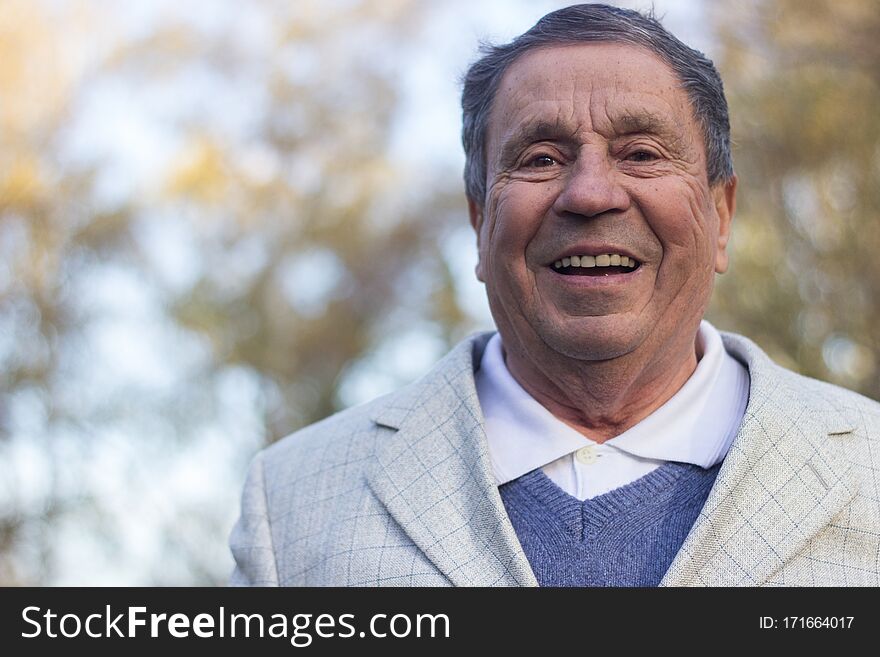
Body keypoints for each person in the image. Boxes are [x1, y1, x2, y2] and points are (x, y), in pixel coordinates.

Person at [229, 3, 880, 586]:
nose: (591, 193)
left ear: (721, 215)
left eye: (643, 153)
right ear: (480, 220)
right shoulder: (291, 503)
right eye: (540, 158)